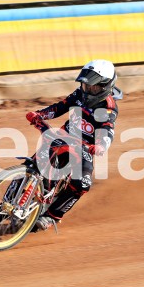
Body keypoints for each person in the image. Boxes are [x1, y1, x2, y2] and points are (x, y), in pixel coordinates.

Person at [25, 59, 121, 231]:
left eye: (94, 87)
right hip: (62, 137)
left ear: (105, 86)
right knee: (30, 165)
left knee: (82, 184)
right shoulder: (79, 95)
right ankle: (10, 197)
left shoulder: (107, 108)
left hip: (84, 148)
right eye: (86, 86)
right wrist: (39, 115)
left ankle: (51, 216)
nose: (88, 90)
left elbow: (107, 129)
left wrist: (100, 146)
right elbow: (60, 107)